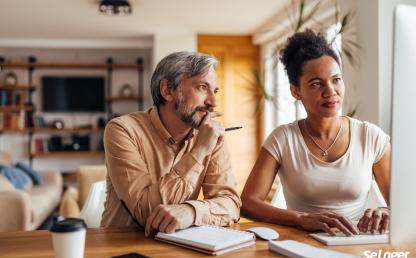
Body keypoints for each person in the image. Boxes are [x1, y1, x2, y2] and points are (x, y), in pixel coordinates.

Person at [241, 29, 391, 236]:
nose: (330, 91)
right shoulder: (283, 139)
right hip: (300, 243)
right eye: (316, 83)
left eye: (336, 79)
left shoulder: (370, 136)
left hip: (356, 241)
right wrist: (301, 219)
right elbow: (248, 203)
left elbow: (402, 203)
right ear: (296, 91)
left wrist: (384, 211)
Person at [101, 51, 241, 236]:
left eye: (214, 91)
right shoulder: (122, 129)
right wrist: (199, 150)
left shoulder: (211, 135)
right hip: (122, 247)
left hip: (182, 246)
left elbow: (230, 203)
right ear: (167, 90)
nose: (213, 102)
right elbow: (146, 213)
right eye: (201, 87)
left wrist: (191, 212)